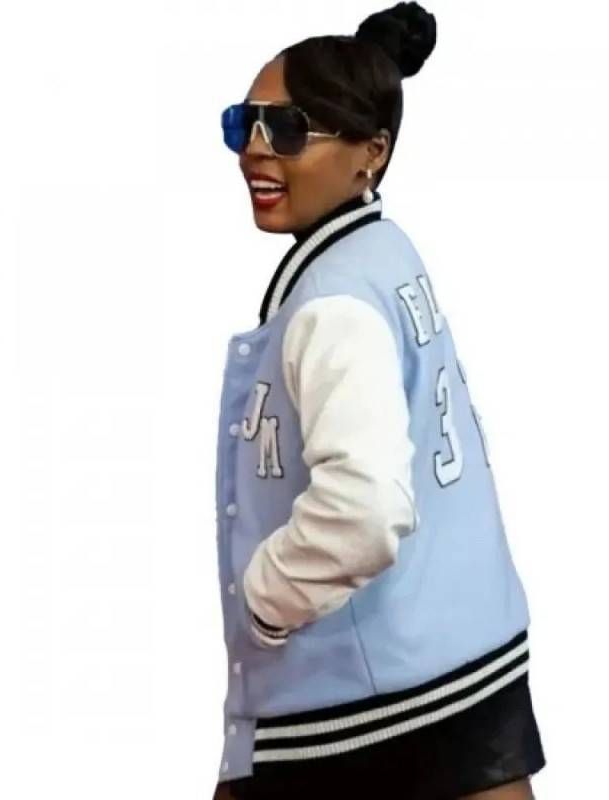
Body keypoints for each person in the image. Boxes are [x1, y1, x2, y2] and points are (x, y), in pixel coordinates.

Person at [211, 3, 546, 798]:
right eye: (243, 123)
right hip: (465, 656)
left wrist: (265, 600)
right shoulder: (383, 254)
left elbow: (363, 509)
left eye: (289, 129)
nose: (257, 148)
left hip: (355, 704)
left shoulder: (332, 304)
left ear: (372, 152)